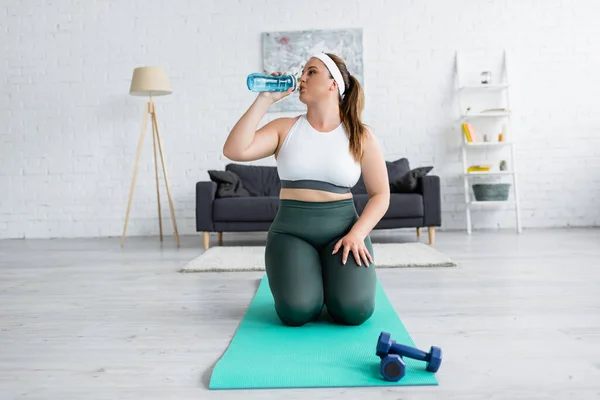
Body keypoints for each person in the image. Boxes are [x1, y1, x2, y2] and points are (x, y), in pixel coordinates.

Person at [223, 52, 390, 327]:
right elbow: (234, 150)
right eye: (303, 72)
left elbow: (381, 195)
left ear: (333, 84)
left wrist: (357, 235)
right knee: (296, 311)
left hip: (344, 233)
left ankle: (328, 284)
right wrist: (265, 99)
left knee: (355, 311)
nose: (302, 78)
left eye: (311, 72)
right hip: (291, 233)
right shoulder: (284, 128)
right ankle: (312, 287)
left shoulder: (361, 134)